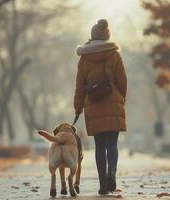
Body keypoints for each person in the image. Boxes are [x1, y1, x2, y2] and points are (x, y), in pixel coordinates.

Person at [74, 19, 127, 195]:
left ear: (92, 36)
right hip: (113, 104)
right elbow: (123, 81)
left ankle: (103, 184)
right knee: (112, 144)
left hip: (93, 104)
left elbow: (80, 86)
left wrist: (78, 107)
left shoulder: (84, 58)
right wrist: (120, 98)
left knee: (99, 146)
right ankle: (112, 172)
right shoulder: (114, 55)